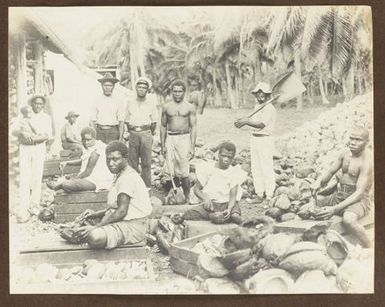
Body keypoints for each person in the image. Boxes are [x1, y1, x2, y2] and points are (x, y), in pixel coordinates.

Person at [77, 141, 152, 249]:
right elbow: (116, 206)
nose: (111, 163)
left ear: (125, 158)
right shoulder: (120, 174)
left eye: (115, 159)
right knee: (86, 220)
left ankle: (92, 232)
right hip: (125, 221)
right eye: (108, 160)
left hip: (133, 226)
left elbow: (121, 211)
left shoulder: (127, 178)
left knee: (95, 237)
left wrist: (96, 227)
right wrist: (96, 214)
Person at [311, 127, 373, 248]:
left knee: (348, 220)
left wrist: (335, 209)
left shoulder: (368, 160)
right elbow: (330, 172)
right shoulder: (345, 154)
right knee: (312, 203)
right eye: (351, 138)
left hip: (358, 201)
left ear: (367, 142)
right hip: (339, 196)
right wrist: (319, 183)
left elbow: (359, 193)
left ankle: (370, 246)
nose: (353, 142)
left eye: (358, 140)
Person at [184, 142, 246, 224]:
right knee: (189, 214)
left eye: (229, 157)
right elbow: (197, 189)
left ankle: (224, 217)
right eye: (223, 156)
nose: (226, 159)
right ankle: (214, 216)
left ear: (233, 158)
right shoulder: (208, 168)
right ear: (218, 155)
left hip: (227, 203)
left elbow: (233, 195)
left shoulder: (234, 172)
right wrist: (205, 199)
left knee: (235, 216)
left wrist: (229, 209)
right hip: (211, 204)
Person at [234, 82, 276, 202]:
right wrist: (242, 121)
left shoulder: (269, 108)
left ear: (267, 95)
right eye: (258, 94)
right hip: (254, 138)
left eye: (262, 94)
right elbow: (252, 122)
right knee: (256, 167)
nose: (260, 96)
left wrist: (246, 122)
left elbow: (261, 124)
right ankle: (259, 193)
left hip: (265, 139)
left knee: (266, 166)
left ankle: (269, 195)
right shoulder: (257, 107)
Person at [11, 103, 52, 219]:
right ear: (32, 104)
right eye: (36, 103)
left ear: (43, 105)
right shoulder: (23, 116)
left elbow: (47, 135)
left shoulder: (46, 117)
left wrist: (34, 138)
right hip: (25, 148)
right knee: (24, 176)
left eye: (40, 103)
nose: (38, 106)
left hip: (39, 147)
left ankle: (34, 204)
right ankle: (24, 206)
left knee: (37, 176)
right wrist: (21, 132)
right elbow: (13, 131)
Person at [160, 80, 197, 204]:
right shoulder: (166, 107)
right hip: (170, 138)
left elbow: (194, 127)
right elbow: (163, 126)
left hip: (184, 138)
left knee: (184, 170)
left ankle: (187, 196)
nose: (177, 94)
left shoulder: (189, 107)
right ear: (171, 92)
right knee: (172, 170)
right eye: (174, 91)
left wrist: (192, 146)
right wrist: (162, 145)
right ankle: (176, 196)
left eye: (179, 91)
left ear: (184, 92)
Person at [48, 127, 113, 192]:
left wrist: (72, 178)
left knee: (66, 184)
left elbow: (87, 173)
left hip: (98, 181)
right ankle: (60, 184)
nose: (86, 142)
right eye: (83, 140)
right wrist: (67, 162)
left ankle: (58, 186)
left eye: (88, 140)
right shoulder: (91, 147)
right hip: (90, 177)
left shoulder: (97, 150)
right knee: (68, 179)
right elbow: (83, 160)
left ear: (94, 138)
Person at [125, 77, 158, 189]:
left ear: (147, 90)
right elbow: (127, 119)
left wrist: (148, 133)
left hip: (146, 133)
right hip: (134, 133)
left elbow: (154, 122)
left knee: (146, 161)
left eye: (144, 88)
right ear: (136, 88)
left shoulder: (151, 103)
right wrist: (132, 131)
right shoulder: (130, 102)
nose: (141, 89)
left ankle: (146, 186)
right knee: (132, 161)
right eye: (139, 87)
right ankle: (133, 186)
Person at [89, 72, 125, 144]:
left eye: (110, 85)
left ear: (113, 86)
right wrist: (94, 136)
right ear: (102, 86)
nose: (107, 87)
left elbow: (121, 121)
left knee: (112, 153)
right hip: (99, 132)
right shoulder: (96, 100)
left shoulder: (118, 101)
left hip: (113, 132)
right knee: (100, 152)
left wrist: (120, 138)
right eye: (105, 85)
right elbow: (92, 121)